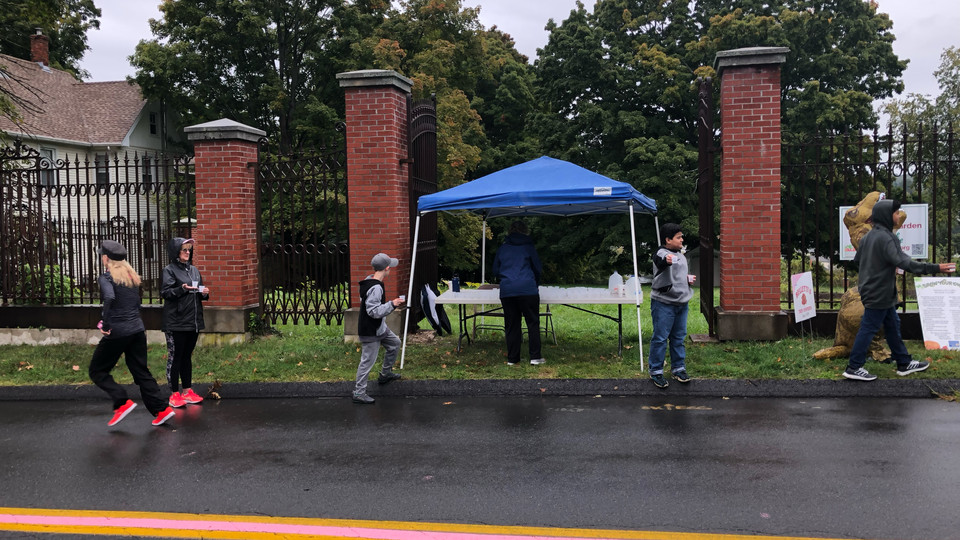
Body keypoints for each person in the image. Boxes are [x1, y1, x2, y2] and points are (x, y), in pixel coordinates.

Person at [843, 199, 956, 381]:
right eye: (896, 213)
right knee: (868, 328)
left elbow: (859, 260)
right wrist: (936, 268)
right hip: (879, 292)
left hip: (874, 290)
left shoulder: (869, 236)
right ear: (887, 216)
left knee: (892, 325)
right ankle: (854, 366)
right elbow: (905, 263)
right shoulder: (888, 237)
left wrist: (883, 265)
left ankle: (903, 362)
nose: (898, 216)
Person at [89, 240, 175, 427]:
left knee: (97, 370)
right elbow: (136, 304)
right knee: (140, 371)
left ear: (106, 258)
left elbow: (110, 297)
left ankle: (122, 402)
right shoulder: (131, 277)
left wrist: (106, 322)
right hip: (137, 330)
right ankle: (162, 409)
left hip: (118, 331)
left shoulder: (106, 278)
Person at [160, 237, 209, 407]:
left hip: (192, 321)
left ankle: (187, 391)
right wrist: (181, 289)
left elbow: (199, 290)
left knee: (186, 356)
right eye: (184, 250)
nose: (188, 253)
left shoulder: (194, 270)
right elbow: (166, 292)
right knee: (176, 357)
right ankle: (174, 394)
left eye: (189, 250)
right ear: (176, 252)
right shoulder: (169, 270)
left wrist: (204, 293)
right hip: (176, 322)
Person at [353, 252, 406, 404]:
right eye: (391, 267)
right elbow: (373, 311)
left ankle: (385, 374)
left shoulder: (369, 281)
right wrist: (392, 304)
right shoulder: (376, 288)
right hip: (370, 330)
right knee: (367, 361)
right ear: (387, 268)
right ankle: (359, 392)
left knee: (394, 343)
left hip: (380, 328)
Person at [648, 223, 694, 388]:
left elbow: (676, 274)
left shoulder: (680, 255)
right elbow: (660, 262)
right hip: (664, 304)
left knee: (678, 338)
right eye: (678, 237)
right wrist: (666, 261)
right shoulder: (661, 253)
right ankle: (656, 371)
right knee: (660, 338)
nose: (682, 239)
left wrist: (687, 279)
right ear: (668, 240)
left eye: (681, 236)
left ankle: (678, 368)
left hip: (682, 303)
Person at [492, 220, 544, 366]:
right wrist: (535, 283)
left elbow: (495, 270)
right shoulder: (529, 247)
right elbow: (538, 269)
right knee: (532, 323)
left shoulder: (503, 248)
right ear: (525, 231)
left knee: (512, 325)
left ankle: (513, 359)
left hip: (508, 290)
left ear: (509, 231)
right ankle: (535, 357)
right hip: (528, 289)